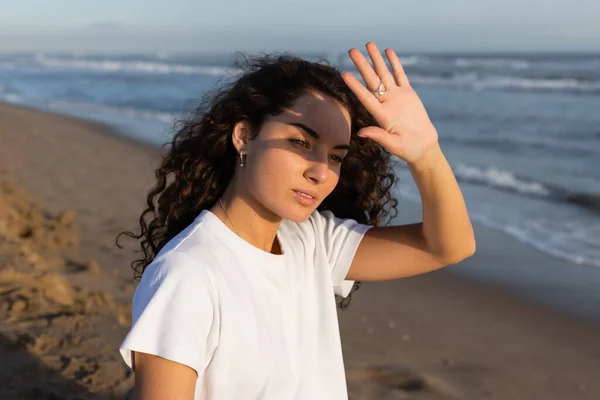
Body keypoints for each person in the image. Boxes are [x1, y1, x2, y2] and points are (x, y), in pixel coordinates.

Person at [116, 42, 475, 400]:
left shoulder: (314, 240)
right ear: (244, 136)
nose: (321, 171)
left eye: (336, 156)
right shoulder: (188, 273)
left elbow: (448, 247)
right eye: (301, 142)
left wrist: (426, 154)